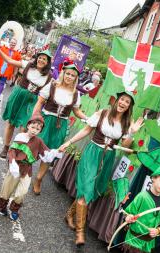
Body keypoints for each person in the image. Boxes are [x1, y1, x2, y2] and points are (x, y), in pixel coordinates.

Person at [58, 91, 143, 246]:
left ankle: (70, 214)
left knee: (93, 190)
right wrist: (68, 143)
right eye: (122, 100)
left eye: (127, 102)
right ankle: (80, 233)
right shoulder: (102, 113)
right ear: (117, 100)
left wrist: (131, 133)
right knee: (86, 188)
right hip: (92, 153)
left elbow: (124, 147)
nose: (123, 103)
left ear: (129, 107)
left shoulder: (126, 123)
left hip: (108, 157)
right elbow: (86, 130)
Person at [31, 63, 88, 195]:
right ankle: (24, 171)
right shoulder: (52, 85)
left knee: (51, 152)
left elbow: (76, 111)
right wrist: (34, 118)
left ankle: (39, 179)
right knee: (35, 146)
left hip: (60, 125)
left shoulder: (76, 94)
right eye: (68, 73)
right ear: (63, 74)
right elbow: (39, 102)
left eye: (73, 75)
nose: (69, 77)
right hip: (45, 120)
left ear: (76, 78)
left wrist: (88, 119)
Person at [0, 42, 53, 159]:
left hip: (32, 101)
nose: (41, 60)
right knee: (11, 123)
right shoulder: (28, 65)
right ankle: (6, 147)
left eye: (44, 59)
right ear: (37, 58)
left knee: (25, 127)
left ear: (47, 62)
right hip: (18, 96)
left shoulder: (49, 77)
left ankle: (16, 149)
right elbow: (10, 61)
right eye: (40, 57)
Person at [0, 114, 60, 221]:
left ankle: (14, 209)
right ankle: (1, 206)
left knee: (23, 191)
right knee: (7, 188)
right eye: (33, 127)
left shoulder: (38, 141)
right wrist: (12, 163)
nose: (35, 130)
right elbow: (12, 151)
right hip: (15, 167)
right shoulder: (20, 137)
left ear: (40, 131)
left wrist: (57, 152)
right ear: (28, 126)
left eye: (38, 129)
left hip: (27, 169)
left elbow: (46, 152)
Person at [121, 159, 160, 253]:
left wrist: (158, 231)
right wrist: (128, 217)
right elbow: (127, 213)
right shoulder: (142, 197)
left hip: (149, 244)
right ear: (153, 178)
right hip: (134, 242)